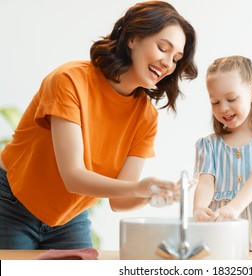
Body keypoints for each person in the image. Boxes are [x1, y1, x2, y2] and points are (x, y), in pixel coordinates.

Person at [0, 1, 197, 249]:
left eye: (176, 59)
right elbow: (73, 176)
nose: (168, 63)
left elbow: (120, 201)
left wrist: (152, 193)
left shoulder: (146, 117)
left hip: (71, 216)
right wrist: (139, 187)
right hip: (13, 203)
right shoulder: (69, 80)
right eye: (162, 48)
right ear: (133, 38)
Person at [192, 56, 252, 251]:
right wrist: (199, 209)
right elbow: (205, 182)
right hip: (226, 245)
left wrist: (234, 208)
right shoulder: (208, 145)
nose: (223, 108)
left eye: (231, 99)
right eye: (215, 102)